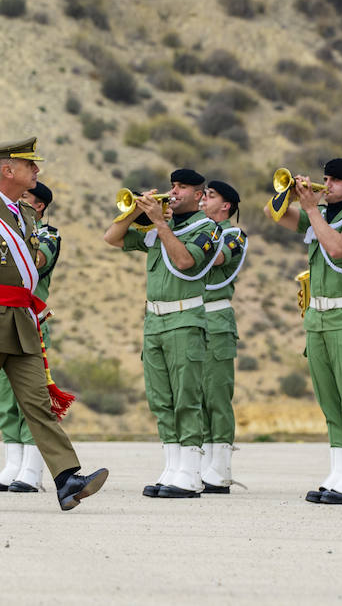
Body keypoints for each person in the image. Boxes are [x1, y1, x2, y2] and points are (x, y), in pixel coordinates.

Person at [0, 138, 107, 512]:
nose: (37, 170)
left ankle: (66, 479)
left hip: (20, 324)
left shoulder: (25, 216)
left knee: (38, 404)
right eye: (30, 165)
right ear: (8, 170)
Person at [265, 158, 342, 505]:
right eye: (325, 178)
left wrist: (313, 210)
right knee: (329, 400)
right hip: (318, 318)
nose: (326, 185)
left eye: (334, 181)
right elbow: (275, 215)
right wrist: (290, 193)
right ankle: (339, 472)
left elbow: (339, 248)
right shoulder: (324, 214)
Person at [104, 167, 219, 499]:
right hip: (154, 323)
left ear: (199, 194)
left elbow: (184, 262)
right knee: (161, 399)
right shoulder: (158, 227)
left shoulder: (207, 229)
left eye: (183, 187)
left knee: (186, 397)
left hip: (185, 320)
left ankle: (191, 472)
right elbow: (112, 238)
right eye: (173, 186)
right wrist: (135, 212)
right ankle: (173, 467)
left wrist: (161, 223)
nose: (175, 191)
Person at [0, 181, 59, 495]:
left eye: (24, 197)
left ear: (38, 206)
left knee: (31, 397)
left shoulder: (47, 235)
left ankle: (32, 468)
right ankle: (13, 462)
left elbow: (35, 262)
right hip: (0, 321)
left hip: (28, 324)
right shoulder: (0, 233)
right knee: (3, 397)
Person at [198, 180, 247, 493]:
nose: (203, 199)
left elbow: (213, 257)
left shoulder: (233, 234)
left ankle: (220, 468)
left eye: (210, 196)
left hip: (215, 316)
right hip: (190, 316)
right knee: (194, 394)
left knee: (216, 394)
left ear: (226, 205)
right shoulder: (197, 230)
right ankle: (199, 461)